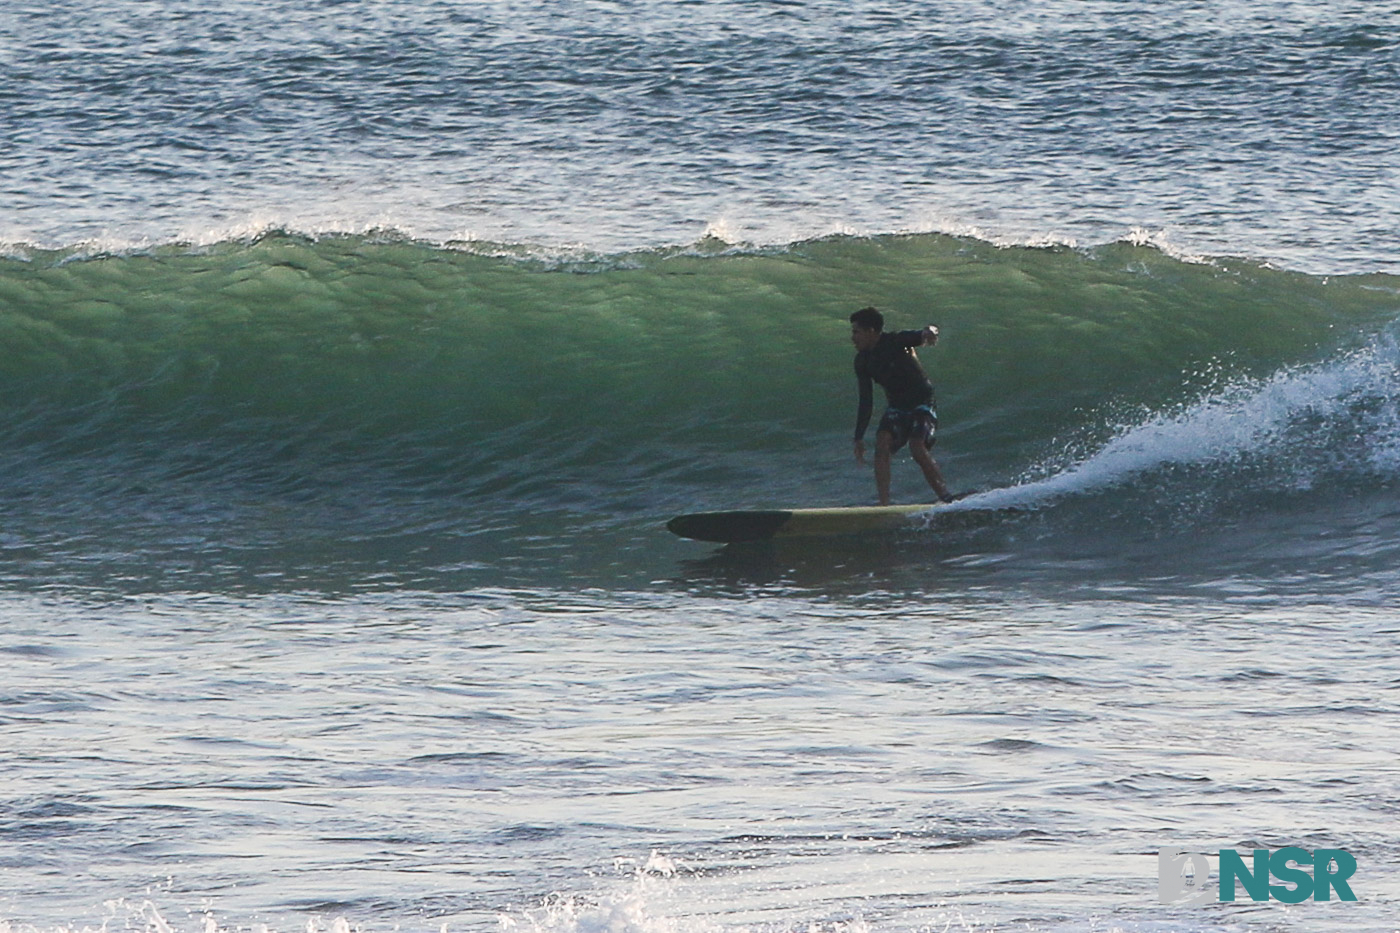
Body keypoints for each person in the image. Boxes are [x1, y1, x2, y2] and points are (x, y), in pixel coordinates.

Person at [850, 306, 954, 506]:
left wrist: (930, 332)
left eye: (856, 332)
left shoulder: (896, 341)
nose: (853, 338)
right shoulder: (862, 361)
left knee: (917, 447)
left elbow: (921, 333)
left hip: (922, 402)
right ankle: (884, 505)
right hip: (897, 407)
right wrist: (858, 436)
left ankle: (946, 497)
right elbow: (866, 400)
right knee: (882, 445)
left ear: (871, 331)